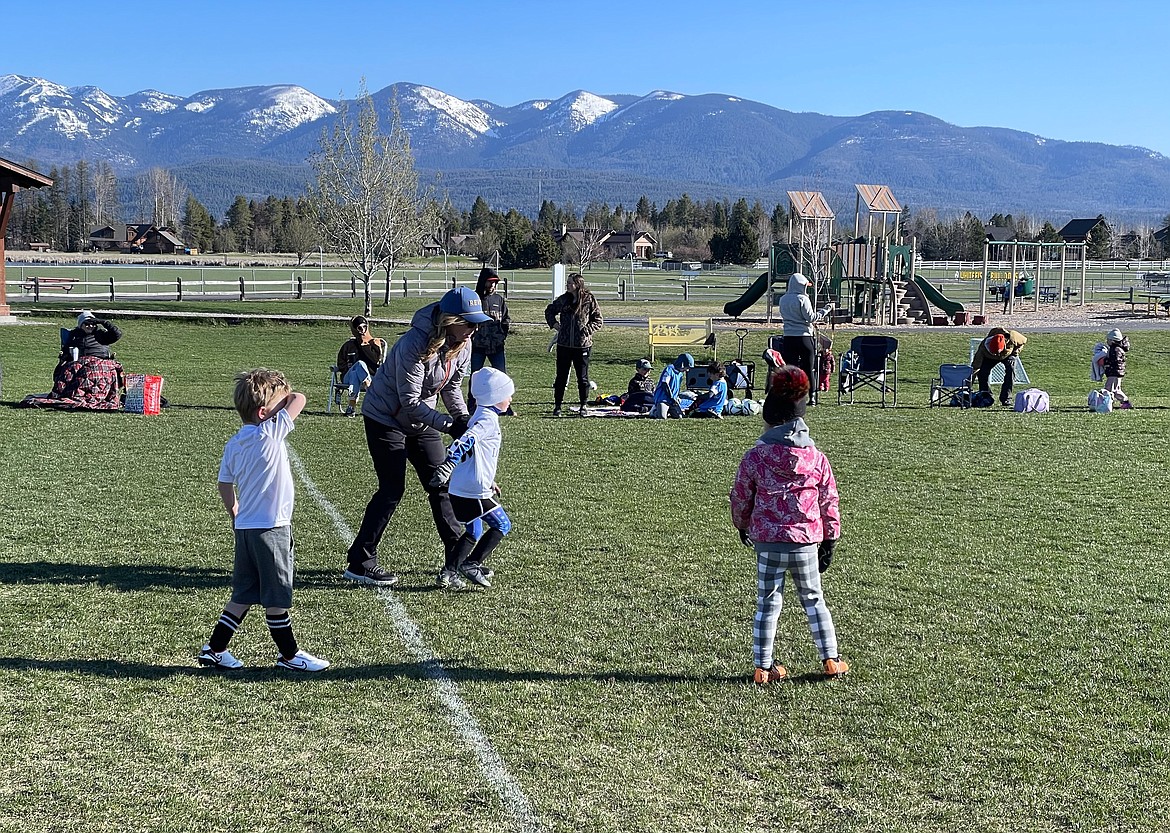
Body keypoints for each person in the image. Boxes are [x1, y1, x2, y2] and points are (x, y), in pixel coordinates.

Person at [344, 286, 492, 587]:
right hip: (385, 417)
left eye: (477, 323)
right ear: (450, 320)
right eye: (469, 323)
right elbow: (409, 400)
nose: (474, 330)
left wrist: (461, 417)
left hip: (421, 421)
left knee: (442, 484)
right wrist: (448, 425)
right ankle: (360, 561)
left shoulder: (464, 344)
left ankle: (457, 558)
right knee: (391, 489)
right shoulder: (414, 343)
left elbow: (451, 387)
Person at [197, 368, 329, 672]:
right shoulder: (270, 431)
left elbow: (224, 484)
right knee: (276, 595)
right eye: (277, 404)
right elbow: (299, 398)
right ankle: (289, 655)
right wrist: (281, 402)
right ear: (263, 412)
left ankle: (214, 649)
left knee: (243, 594)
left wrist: (234, 513)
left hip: (245, 528)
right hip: (272, 528)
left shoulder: (234, 442)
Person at [729, 365, 848, 684]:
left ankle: (762, 666)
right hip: (807, 540)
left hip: (768, 542)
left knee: (768, 602)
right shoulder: (817, 459)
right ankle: (831, 659)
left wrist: (741, 524)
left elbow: (740, 496)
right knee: (813, 598)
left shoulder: (755, 457)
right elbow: (829, 500)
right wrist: (830, 539)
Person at [429, 367, 515, 589]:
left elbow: (477, 454)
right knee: (503, 525)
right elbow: (464, 441)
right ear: (495, 397)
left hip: (460, 487)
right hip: (474, 490)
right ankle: (472, 564)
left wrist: (490, 479)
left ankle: (448, 572)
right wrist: (449, 462)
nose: (510, 399)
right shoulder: (487, 420)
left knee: (474, 531)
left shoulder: (478, 414)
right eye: (507, 394)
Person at [545, 272, 604, 416]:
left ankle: (583, 405)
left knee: (582, 377)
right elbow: (549, 310)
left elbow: (598, 320)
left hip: (582, 346)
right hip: (564, 345)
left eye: (570, 282)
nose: (567, 285)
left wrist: (586, 331)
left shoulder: (589, 299)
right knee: (561, 377)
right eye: (567, 282)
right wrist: (554, 324)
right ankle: (557, 406)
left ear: (577, 284)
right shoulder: (564, 300)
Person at [469, 267, 514, 415]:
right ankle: (471, 407)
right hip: (478, 346)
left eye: (495, 283)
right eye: (490, 282)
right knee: (475, 377)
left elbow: (506, 320)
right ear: (483, 282)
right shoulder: (475, 299)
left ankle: (505, 407)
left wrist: (502, 335)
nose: (493, 286)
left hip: (497, 346)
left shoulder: (499, 300)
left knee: (501, 376)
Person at [777, 274, 818, 402]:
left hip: (789, 337)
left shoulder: (783, 299)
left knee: (791, 369)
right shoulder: (803, 299)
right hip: (804, 337)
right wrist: (826, 310)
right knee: (808, 368)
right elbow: (810, 318)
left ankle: (791, 395)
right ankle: (812, 395)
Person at [335, 315, 386, 417]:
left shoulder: (373, 343)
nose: (362, 330)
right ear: (354, 329)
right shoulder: (349, 345)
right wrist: (347, 368)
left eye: (364, 327)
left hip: (367, 376)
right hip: (347, 377)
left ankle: (351, 408)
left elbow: (377, 362)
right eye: (359, 328)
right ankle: (370, 389)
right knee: (359, 365)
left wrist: (375, 347)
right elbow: (340, 363)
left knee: (356, 374)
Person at [972, 327, 1028, 406]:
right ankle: (986, 397)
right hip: (989, 358)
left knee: (1010, 371)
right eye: (994, 352)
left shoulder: (1013, 336)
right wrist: (968, 385)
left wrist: (1015, 352)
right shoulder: (983, 348)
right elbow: (975, 367)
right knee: (982, 373)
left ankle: (1006, 399)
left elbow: (1023, 341)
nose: (996, 355)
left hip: (1008, 355)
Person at [652, 353, 694, 419]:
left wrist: (676, 398)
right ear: (682, 364)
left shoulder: (680, 374)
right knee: (662, 417)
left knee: (679, 417)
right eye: (687, 368)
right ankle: (654, 411)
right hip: (663, 399)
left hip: (673, 401)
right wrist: (671, 397)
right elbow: (665, 384)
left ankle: (668, 410)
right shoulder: (669, 370)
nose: (687, 370)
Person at [1103, 327, 1132, 409]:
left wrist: (1105, 361)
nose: (1107, 341)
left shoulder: (1115, 350)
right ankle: (1117, 402)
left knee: (1110, 389)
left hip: (1114, 372)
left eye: (1108, 340)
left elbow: (1115, 361)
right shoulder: (1117, 349)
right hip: (1116, 372)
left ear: (1112, 340)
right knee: (1114, 389)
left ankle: (1123, 402)